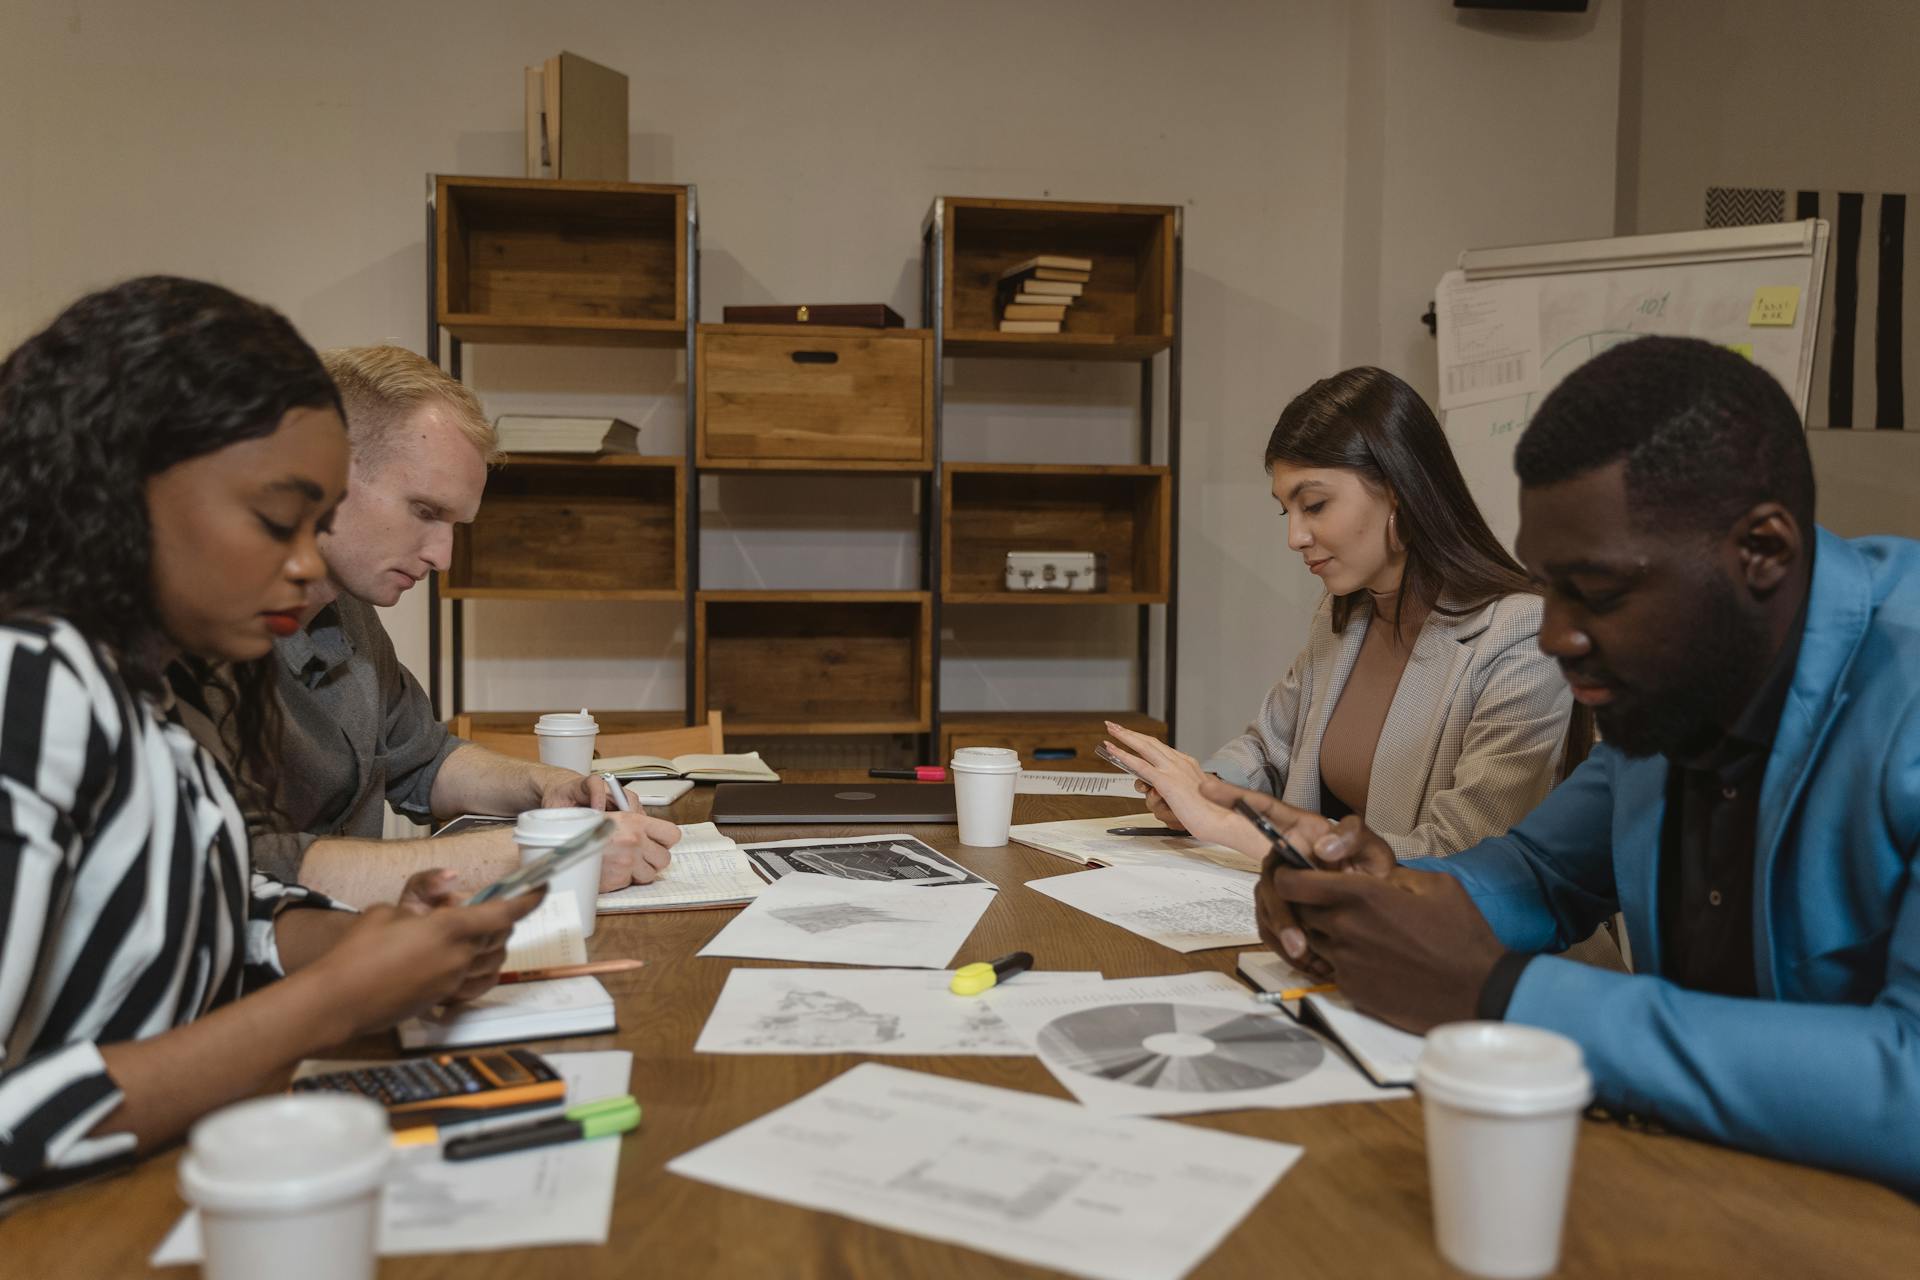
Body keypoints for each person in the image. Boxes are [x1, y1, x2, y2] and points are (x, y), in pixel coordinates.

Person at [1203, 337, 1920, 1193]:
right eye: (1551, 589)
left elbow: (1905, 1082)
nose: (1554, 639)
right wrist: (1377, 894)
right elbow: (1542, 871)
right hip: (1696, 1186)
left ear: (1761, 551)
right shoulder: (1667, 692)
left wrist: (1504, 993)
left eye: (1601, 594)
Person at [0, 278, 542, 1197]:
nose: (303, 564)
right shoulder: (32, 684)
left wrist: (369, 950)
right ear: (120, 487)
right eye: (273, 521)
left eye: (315, 524)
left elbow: (196, 916)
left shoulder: (138, 689)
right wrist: (329, 1002)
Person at [182, 345, 678, 907]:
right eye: (424, 511)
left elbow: (424, 758)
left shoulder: (349, 607)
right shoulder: (195, 634)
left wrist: (545, 787)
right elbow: (241, 869)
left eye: (455, 525)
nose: (442, 556)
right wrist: (545, 855)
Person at [1107, 366, 1577, 858]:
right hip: (1343, 916)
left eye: (1314, 505)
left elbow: (1461, 855)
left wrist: (1230, 827)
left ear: (1398, 489)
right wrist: (1201, 788)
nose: (1295, 537)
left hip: (1450, 930)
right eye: (1286, 512)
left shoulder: (1522, 635)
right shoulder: (1345, 615)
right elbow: (1269, 751)